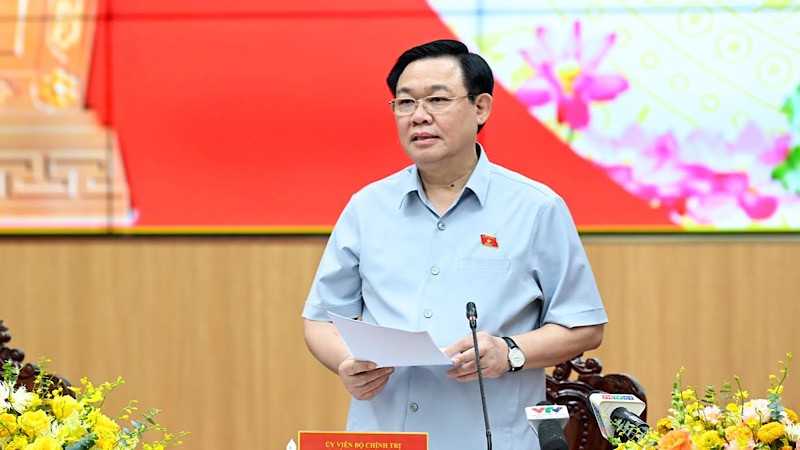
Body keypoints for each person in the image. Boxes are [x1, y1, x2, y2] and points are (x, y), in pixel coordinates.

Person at [302, 39, 607, 450]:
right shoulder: (367, 207)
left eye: (437, 100)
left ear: (480, 108)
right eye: (405, 103)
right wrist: (344, 363)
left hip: (493, 439)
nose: (419, 116)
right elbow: (320, 319)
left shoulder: (536, 208)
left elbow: (584, 325)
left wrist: (509, 351)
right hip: (384, 437)